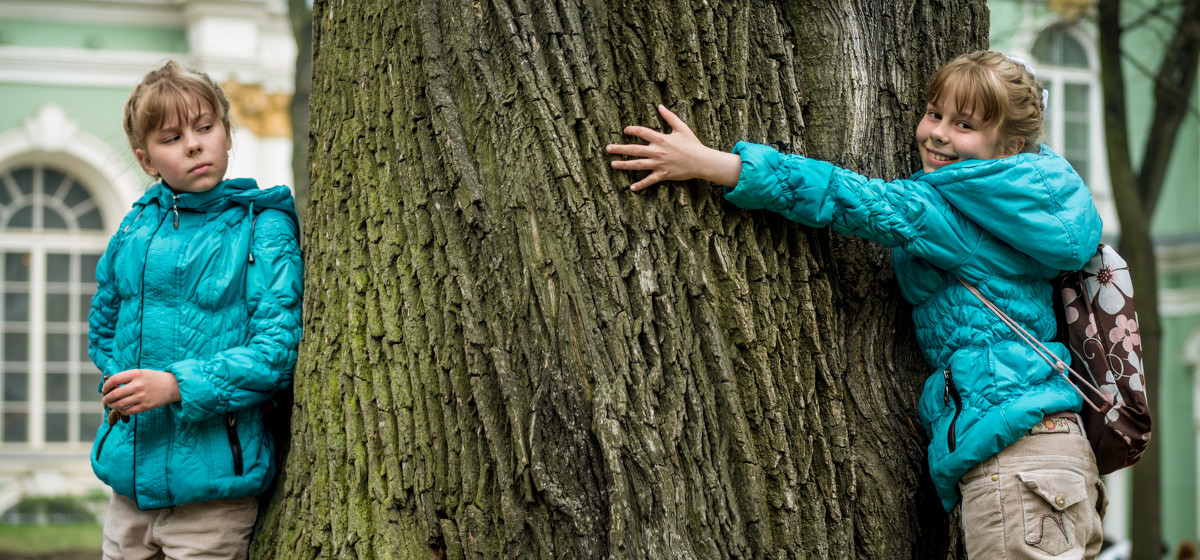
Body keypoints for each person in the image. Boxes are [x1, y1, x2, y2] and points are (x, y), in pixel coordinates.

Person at [607, 50, 1106, 559]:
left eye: (965, 125)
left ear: (1011, 145)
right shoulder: (1026, 209)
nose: (937, 133)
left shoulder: (950, 215)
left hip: (1017, 458)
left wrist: (713, 165)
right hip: (1058, 452)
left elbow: (849, 197)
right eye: (935, 113)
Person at [88, 60, 303, 559]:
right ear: (146, 160)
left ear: (226, 134)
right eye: (170, 137)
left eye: (205, 127)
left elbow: (276, 351)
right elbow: (104, 322)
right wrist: (124, 382)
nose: (192, 144)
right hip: (129, 485)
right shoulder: (136, 227)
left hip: (214, 493)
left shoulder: (262, 227)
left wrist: (177, 385)